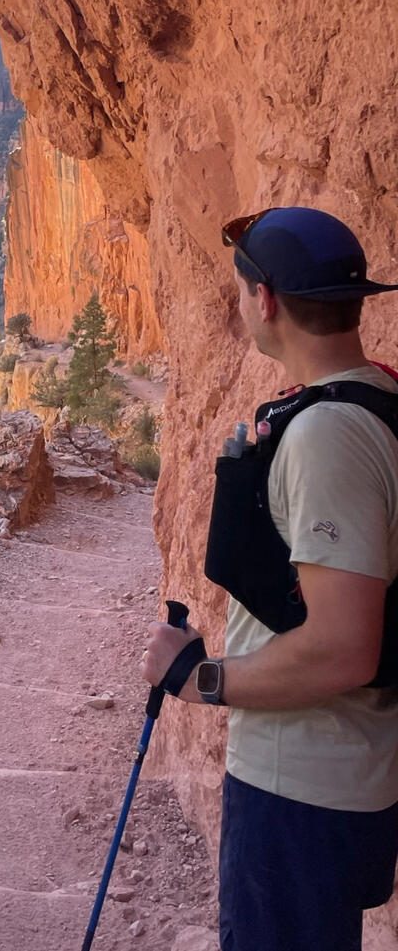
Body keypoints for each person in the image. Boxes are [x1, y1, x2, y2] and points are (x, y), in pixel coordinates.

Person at [141, 205, 398, 951]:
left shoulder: (326, 436)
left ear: (269, 300)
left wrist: (200, 678)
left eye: (241, 287)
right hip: (343, 778)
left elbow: (346, 645)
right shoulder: (374, 399)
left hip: (302, 789)